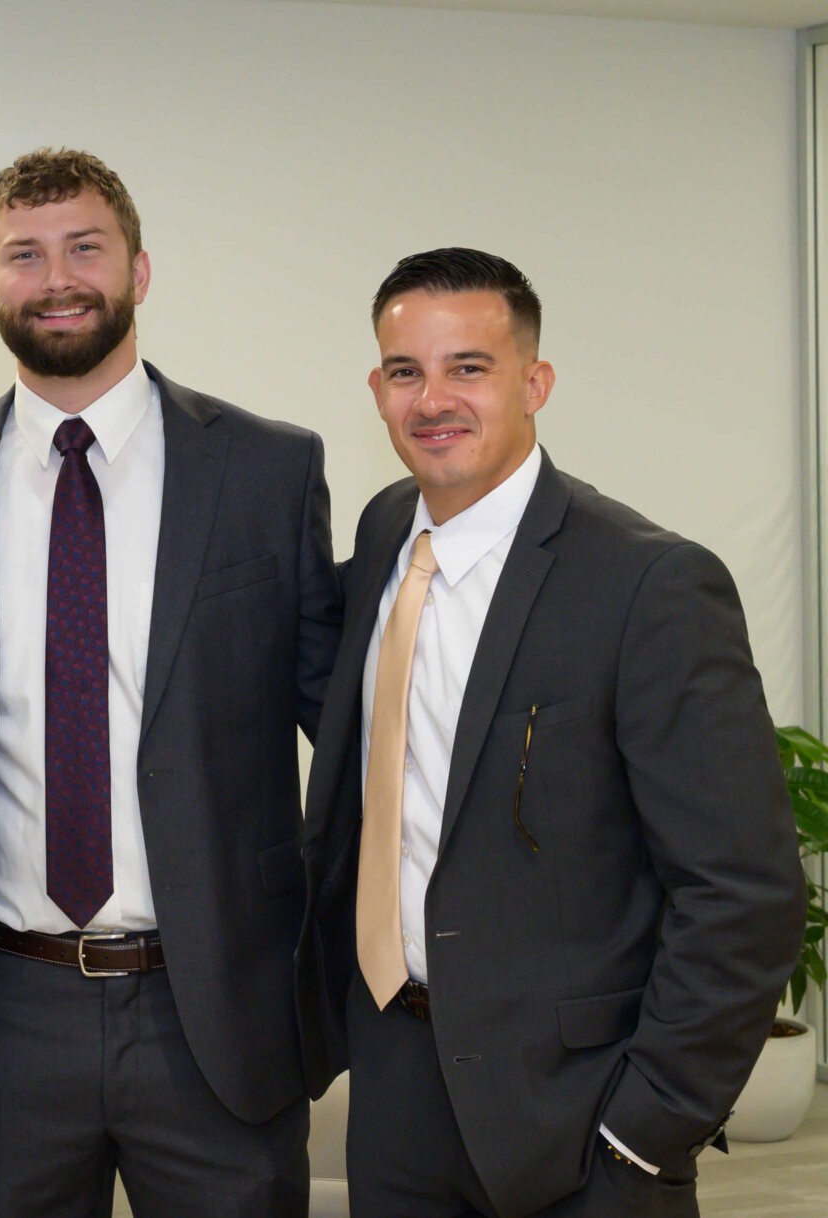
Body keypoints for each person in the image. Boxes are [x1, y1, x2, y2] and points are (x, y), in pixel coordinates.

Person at [0, 147, 342, 1217]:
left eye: (84, 247)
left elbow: (351, 730)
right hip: (2, 1018)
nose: (57, 279)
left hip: (212, 1011)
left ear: (138, 267)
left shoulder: (267, 472)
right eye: (24, 255)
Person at [302, 247, 807, 1217]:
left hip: (577, 1113)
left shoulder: (648, 584)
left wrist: (648, 1126)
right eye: (405, 371)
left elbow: (743, 891)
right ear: (375, 390)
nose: (432, 400)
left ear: (534, 383)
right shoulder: (385, 534)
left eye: (468, 367)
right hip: (396, 1082)